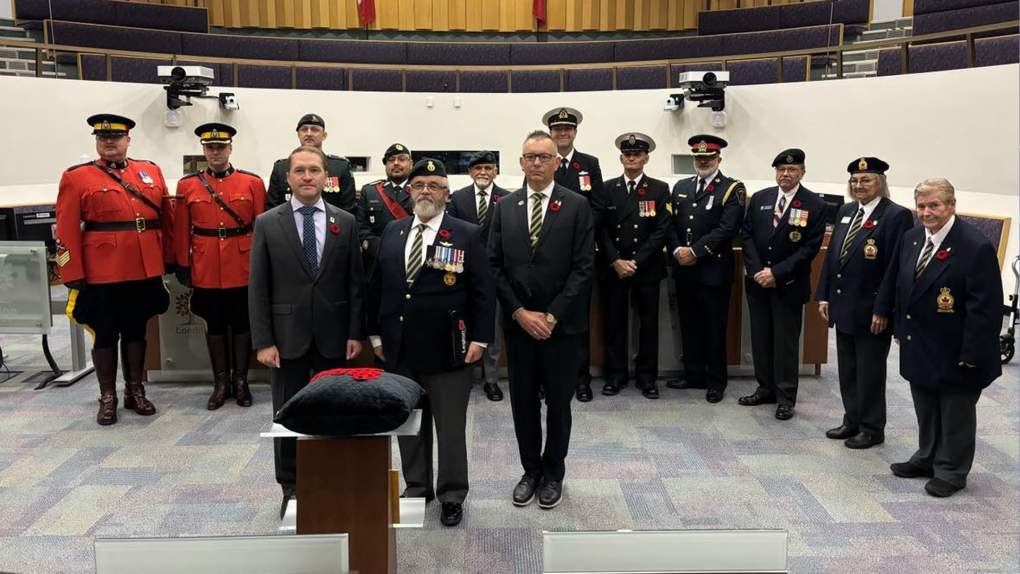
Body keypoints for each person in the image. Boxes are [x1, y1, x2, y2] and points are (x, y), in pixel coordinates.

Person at [368, 158, 496, 527]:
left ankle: (452, 493)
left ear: (446, 194)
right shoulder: (393, 231)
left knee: (450, 427)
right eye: (419, 184)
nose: (426, 190)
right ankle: (417, 487)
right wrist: (376, 334)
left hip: (449, 348)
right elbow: (378, 287)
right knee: (409, 423)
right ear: (409, 191)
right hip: (399, 347)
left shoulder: (466, 233)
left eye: (434, 185)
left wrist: (481, 339)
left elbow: (483, 292)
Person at [249, 145, 365, 519]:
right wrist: (264, 341)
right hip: (286, 339)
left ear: (326, 177)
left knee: (336, 413)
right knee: (287, 414)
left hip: (334, 337)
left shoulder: (345, 221)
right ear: (288, 177)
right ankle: (291, 486)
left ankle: (334, 478)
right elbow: (259, 287)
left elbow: (354, 284)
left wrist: (355, 333)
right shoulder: (268, 222)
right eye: (300, 170)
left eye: (314, 170)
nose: (307, 176)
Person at [488, 130, 594, 510]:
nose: (536, 163)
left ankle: (554, 473)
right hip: (519, 328)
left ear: (555, 162)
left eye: (544, 157)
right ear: (520, 162)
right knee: (522, 403)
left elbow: (583, 268)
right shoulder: (505, 206)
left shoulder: (577, 205)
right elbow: (494, 266)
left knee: (559, 405)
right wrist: (519, 312)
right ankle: (530, 470)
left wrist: (549, 316)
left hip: (561, 328)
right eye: (530, 157)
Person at [879, 178, 1002, 497]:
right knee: (926, 406)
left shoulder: (974, 247)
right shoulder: (911, 239)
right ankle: (927, 457)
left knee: (955, 410)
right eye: (921, 206)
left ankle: (952, 469)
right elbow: (901, 286)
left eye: (934, 205)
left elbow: (985, 309)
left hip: (956, 347)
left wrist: (973, 352)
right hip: (919, 342)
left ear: (951, 206)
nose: (926, 212)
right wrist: (899, 329)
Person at [56, 113, 174, 426]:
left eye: (116, 137)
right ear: (96, 141)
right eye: (103, 137)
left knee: (136, 329)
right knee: (105, 332)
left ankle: (135, 390)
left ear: (128, 140)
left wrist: (170, 258)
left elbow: (166, 219)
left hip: (143, 265)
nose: (110, 142)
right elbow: (66, 229)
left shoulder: (149, 171)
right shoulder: (76, 177)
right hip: (101, 269)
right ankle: (107, 396)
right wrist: (71, 272)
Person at [815, 157, 913, 448]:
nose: (859, 186)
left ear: (880, 182)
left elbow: (894, 268)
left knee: (869, 371)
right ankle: (852, 420)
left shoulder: (896, 216)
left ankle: (872, 428)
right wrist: (824, 294)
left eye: (866, 180)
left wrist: (883, 309)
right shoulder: (846, 211)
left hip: (872, 310)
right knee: (847, 368)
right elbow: (833, 257)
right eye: (855, 181)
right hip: (843, 305)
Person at [174, 123, 266, 410]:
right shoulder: (187, 185)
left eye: (220, 146)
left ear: (230, 148)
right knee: (214, 324)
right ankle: (220, 383)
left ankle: (241, 381)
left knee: (242, 324)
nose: (215, 152)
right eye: (210, 147)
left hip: (243, 264)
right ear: (203, 150)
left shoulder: (252, 183)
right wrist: (183, 265)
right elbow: (181, 230)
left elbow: (262, 227)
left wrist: (263, 266)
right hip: (206, 265)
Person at [740, 149, 826, 420]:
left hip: (788, 283)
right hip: (757, 283)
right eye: (780, 170)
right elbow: (748, 236)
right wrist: (757, 271)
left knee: (786, 342)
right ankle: (765, 388)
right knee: (761, 338)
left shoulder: (814, 204)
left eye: (792, 170)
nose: (785, 174)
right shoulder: (761, 199)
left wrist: (775, 273)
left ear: (802, 172)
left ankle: (786, 396)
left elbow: (810, 247)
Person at [665, 135, 745, 403]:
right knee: (688, 326)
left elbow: (727, 229)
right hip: (685, 270)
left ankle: (715, 382)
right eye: (698, 158)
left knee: (713, 328)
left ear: (718, 159)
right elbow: (671, 225)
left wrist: (695, 252)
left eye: (708, 158)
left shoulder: (732, 189)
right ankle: (694, 375)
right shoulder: (681, 186)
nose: (702, 162)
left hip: (713, 271)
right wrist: (677, 251)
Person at [596, 133, 671, 399]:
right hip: (613, 267)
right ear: (620, 158)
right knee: (614, 324)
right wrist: (616, 260)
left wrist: (635, 262)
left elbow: (661, 231)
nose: (631, 158)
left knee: (648, 324)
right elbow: (601, 229)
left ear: (646, 158)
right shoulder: (606, 188)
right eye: (627, 154)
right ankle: (615, 376)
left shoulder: (659, 189)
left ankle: (647, 378)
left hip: (645, 267)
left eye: (637, 154)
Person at [542, 106, 604, 403]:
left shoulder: (588, 164)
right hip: (546, 257)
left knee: (577, 321)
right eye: (557, 129)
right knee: (547, 316)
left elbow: (598, 207)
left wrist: (574, 234)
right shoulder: (543, 162)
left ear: (575, 132)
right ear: (551, 133)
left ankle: (581, 379)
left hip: (578, 256)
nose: (562, 133)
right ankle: (546, 379)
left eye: (567, 129)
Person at [446, 150, 510, 402]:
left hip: (495, 272)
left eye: (488, 168)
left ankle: (491, 380)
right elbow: (450, 233)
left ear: (495, 171)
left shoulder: (507, 198)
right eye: (477, 168)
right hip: (465, 273)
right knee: (462, 326)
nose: (483, 172)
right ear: (470, 172)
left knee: (492, 328)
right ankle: (464, 375)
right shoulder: (458, 198)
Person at [266, 114, 356, 213]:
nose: (309, 133)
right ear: (298, 135)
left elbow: (348, 210)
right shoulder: (281, 168)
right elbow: (272, 209)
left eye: (314, 130)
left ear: (324, 136)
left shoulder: (340, 167)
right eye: (304, 130)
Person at [357, 143, 413, 278]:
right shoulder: (369, 191)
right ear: (386, 165)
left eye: (401, 159)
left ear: (411, 163)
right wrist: (384, 250)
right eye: (391, 160)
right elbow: (361, 227)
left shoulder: (420, 191)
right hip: (376, 264)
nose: (396, 163)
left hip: (412, 261)